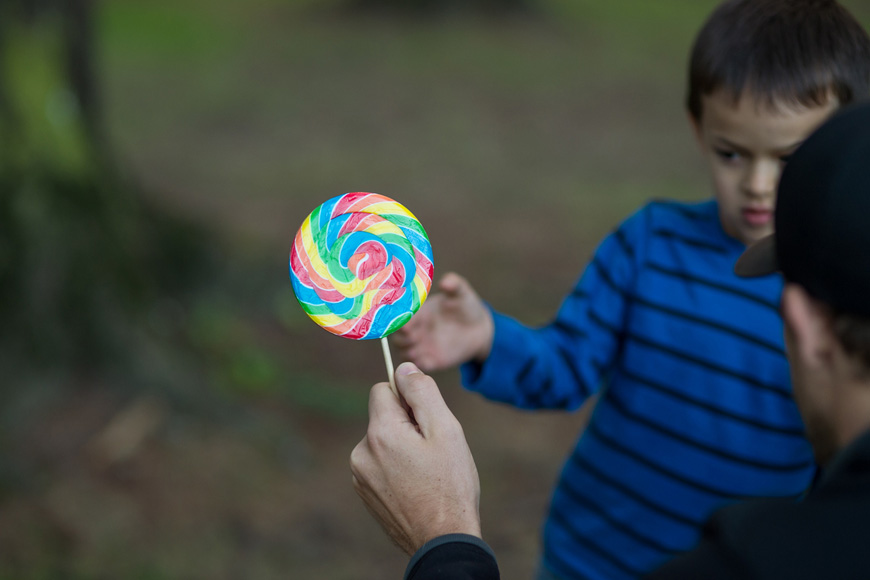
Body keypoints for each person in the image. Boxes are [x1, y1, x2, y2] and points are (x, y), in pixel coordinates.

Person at [389, 1, 870, 578]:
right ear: (698, 128)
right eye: (731, 153)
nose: (758, 185)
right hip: (591, 560)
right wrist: (490, 337)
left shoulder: (836, 290)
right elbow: (565, 368)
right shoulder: (648, 245)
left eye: (790, 158)